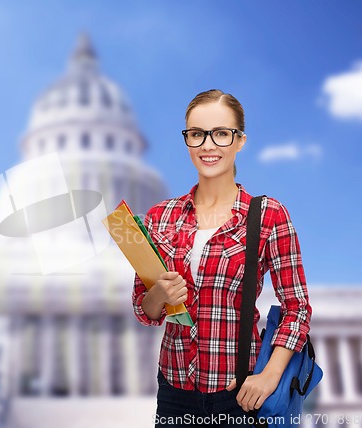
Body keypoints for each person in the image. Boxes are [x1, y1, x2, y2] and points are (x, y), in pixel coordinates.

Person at [132, 89, 312, 427]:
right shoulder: (159, 216)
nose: (208, 146)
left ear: (240, 140)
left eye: (221, 134)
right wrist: (159, 295)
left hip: (238, 394)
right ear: (187, 140)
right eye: (197, 134)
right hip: (173, 391)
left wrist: (270, 376)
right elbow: (144, 309)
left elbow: (297, 308)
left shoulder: (269, 215)